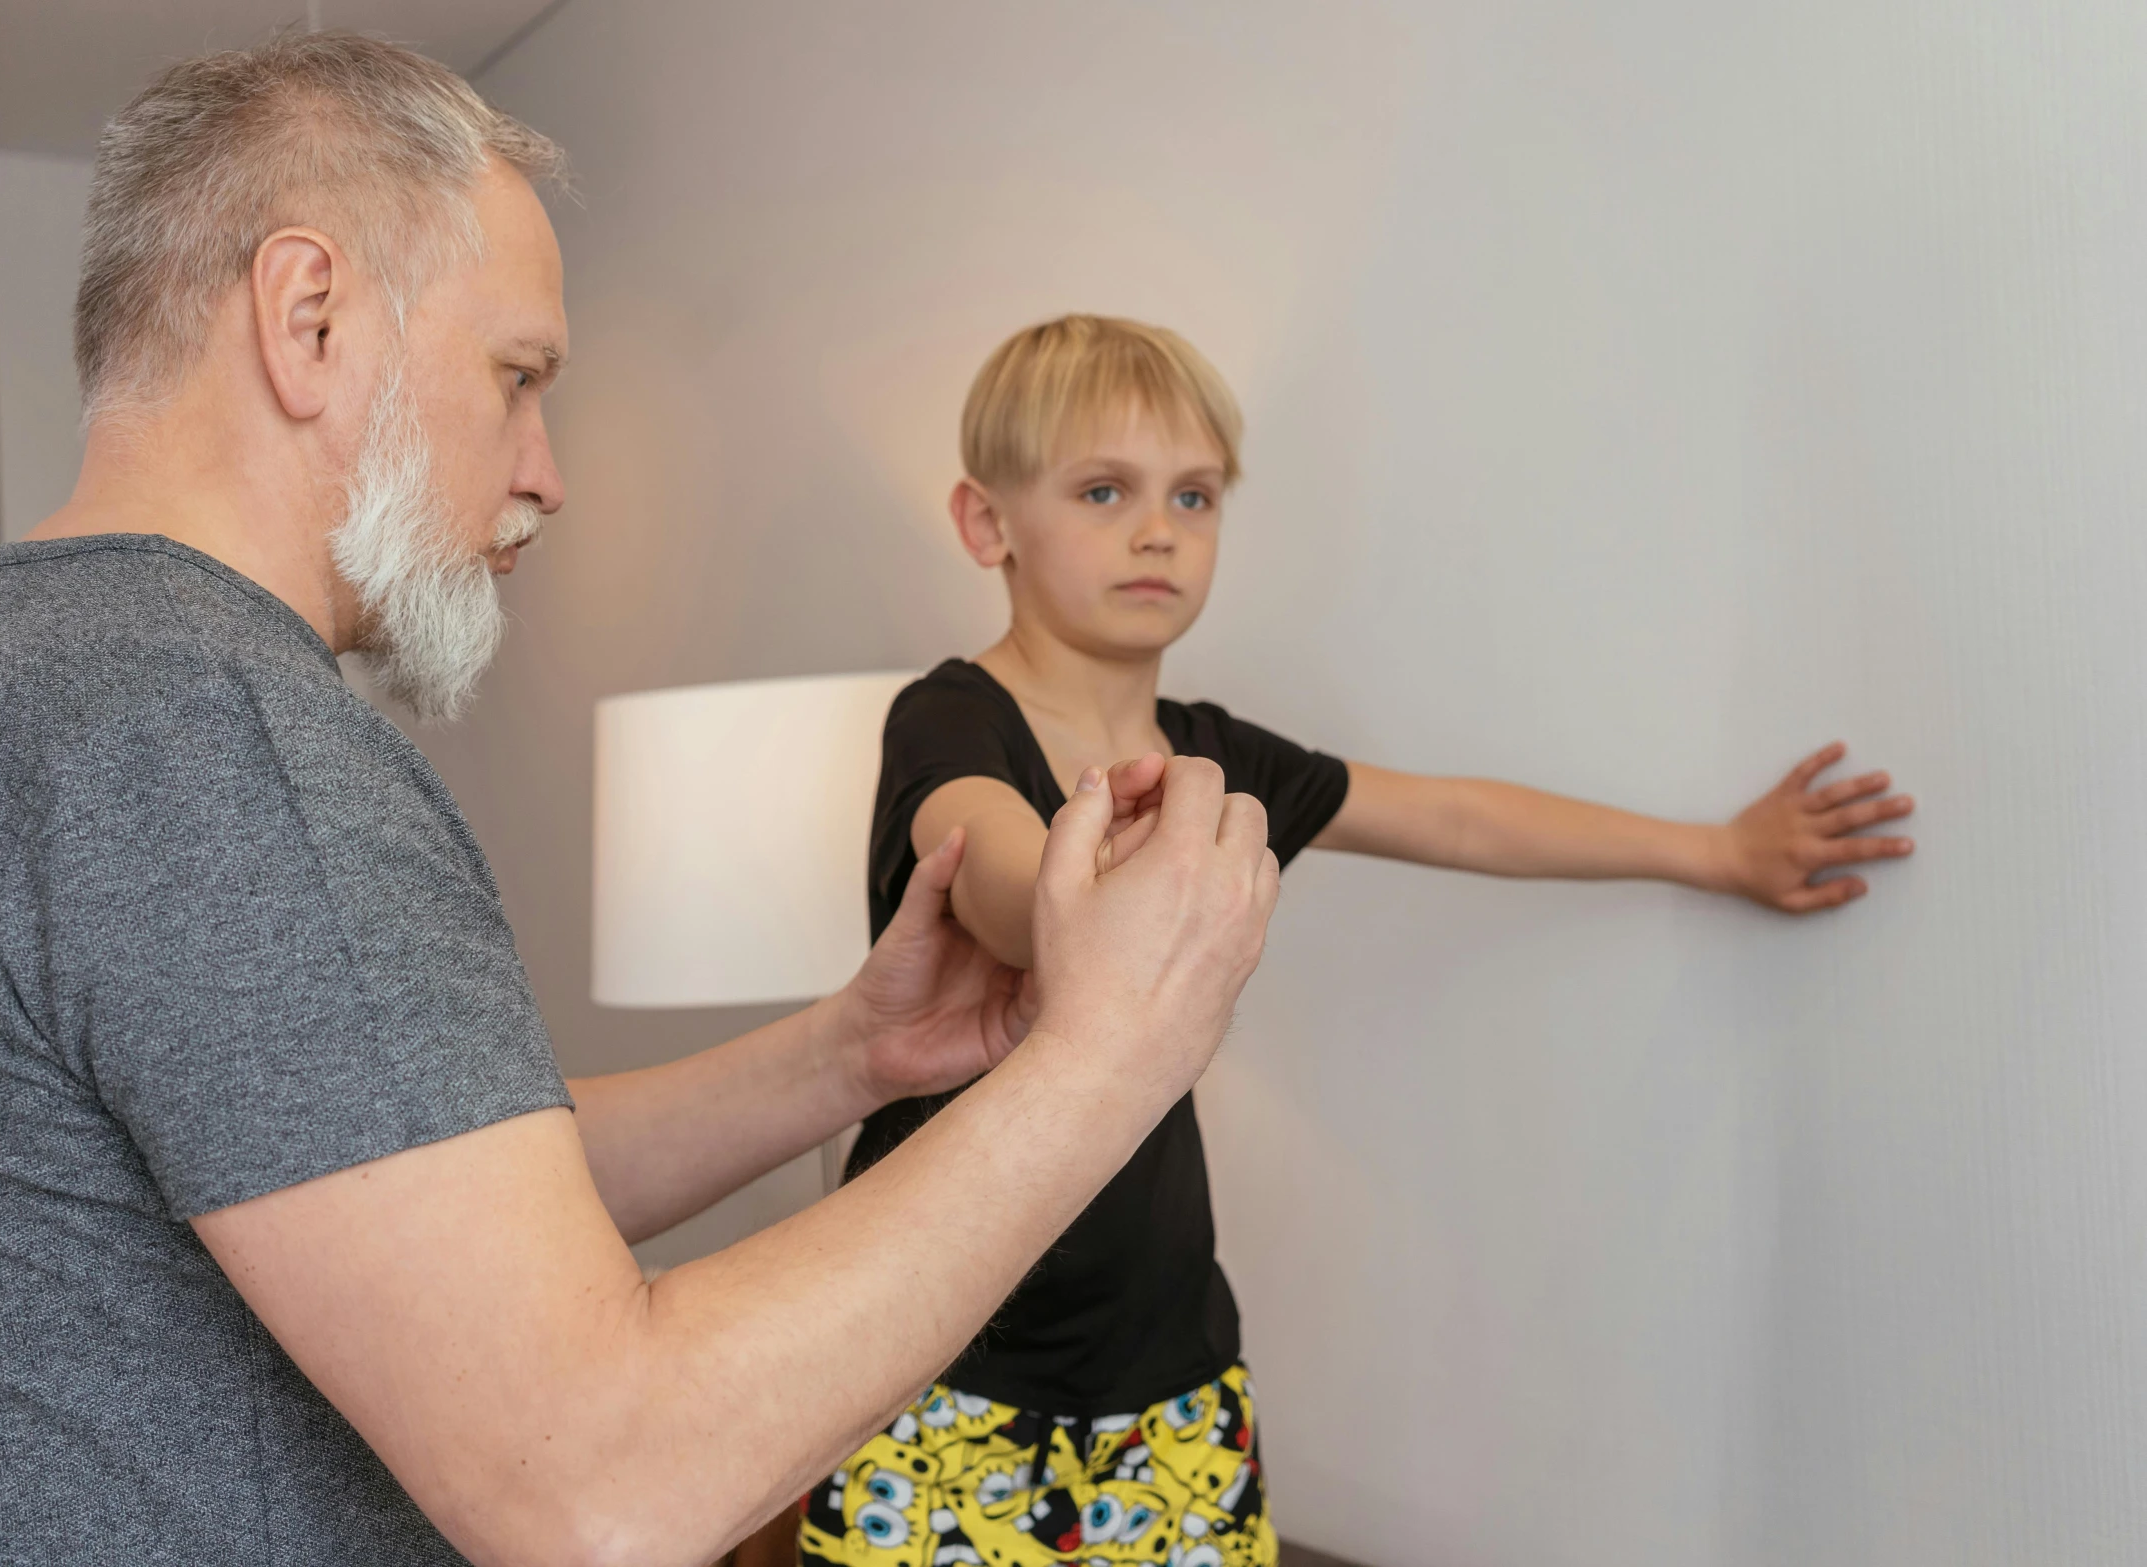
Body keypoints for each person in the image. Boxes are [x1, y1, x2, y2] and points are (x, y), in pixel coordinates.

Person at [0, 42, 1281, 1567]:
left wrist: (850, 1053)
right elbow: (602, 1487)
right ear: (307, 320)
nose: (547, 472)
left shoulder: (49, 656)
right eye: (517, 377)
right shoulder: (207, 730)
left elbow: (425, 1183)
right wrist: (1110, 1057)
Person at [800, 315, 1920, 1567]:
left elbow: (1453, 815)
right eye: (1102, 490)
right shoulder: (949, 716)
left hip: (1172, 1375)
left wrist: (1714, 850)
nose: (1158, 527)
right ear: (984, 522)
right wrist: (1105, 878)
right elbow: (995, 873)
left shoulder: (1218, 755)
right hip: (936, 1373)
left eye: (1194, 494)